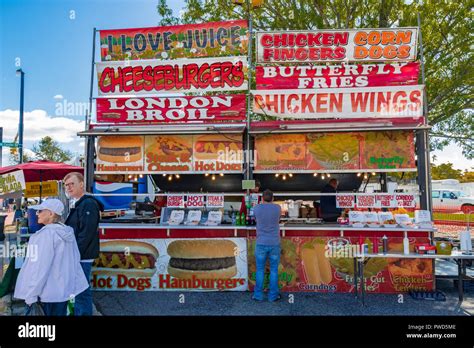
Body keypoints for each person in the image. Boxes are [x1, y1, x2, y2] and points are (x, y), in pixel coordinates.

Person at [14, 199, 89, 316]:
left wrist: (31, 295)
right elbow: (75, 260)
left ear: (51, 213)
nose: (37, 213)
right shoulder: (67, 232)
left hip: (47, 295)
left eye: (40, 211)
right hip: (62, 293)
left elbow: (39, 268)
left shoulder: (45, 235)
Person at [63, 172, 103, 316]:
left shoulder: (88, 204)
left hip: (82, 255)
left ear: (81, 184)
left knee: (81, 290)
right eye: (66, 185)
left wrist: (74, 255)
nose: (68, 187)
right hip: (79, 254)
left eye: (72, 184)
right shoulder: (80, 203)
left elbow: (86, 234)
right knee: (78, 289)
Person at [252, 189, 282, 302]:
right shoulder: (277, 208)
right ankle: (273, 296)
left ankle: (258, 296)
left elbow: (255, 219)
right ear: (273, 198)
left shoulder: (257, 208)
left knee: (260, 270)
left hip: (261, 243)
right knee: (274, 269)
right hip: (274, 242)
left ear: (262, 198)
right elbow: (278, 219)